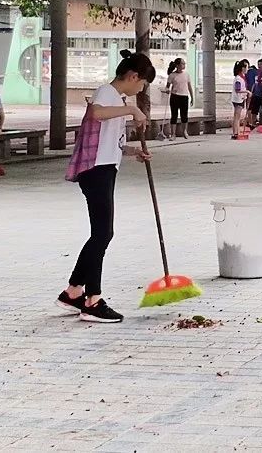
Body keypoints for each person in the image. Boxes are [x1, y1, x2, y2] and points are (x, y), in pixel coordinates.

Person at [59, 50, 154, 323]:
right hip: (96, 171)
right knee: (102, 234)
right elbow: (98, 114)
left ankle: (73, 291)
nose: (140, 89)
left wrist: (134, 151)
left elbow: (112, 140)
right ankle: (93, 299)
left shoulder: (117, 100)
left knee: (101, 233)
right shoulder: (106, 93)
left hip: (105, 168)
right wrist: (132, 109)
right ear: (133, 76)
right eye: (142, 84)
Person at [165, 58, 192, 139]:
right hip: (175, 96)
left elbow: (189, 86)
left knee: (184, 115)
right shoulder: (172, 75)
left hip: (184, 96)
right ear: (177, 65)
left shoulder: (186, 74)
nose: (184, 65)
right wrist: (167, 90)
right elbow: (167, 86)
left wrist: (192, 97)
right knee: (174, 115)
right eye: (182, 64)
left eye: (184, 64)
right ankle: (173, 134)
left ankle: (184, 131)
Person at [230, 61, 248, 138]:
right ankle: (236, 133)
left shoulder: (241, 78)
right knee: (237, 117)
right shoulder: (238, 79)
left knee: (237, 116)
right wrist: (247, 91)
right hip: (238, 99)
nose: (247, 69)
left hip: (239, 98)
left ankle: (236, 132)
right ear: (243, 68)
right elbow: (238, 89)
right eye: (247, 67)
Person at [248, 60, 262, 127]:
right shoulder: (256, 73)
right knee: (254, 110)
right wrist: (252, 91)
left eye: (261, 64)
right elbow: (254, 83)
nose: (259, 66)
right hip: (256, 94)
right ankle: (253, 123)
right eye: (258, 64)